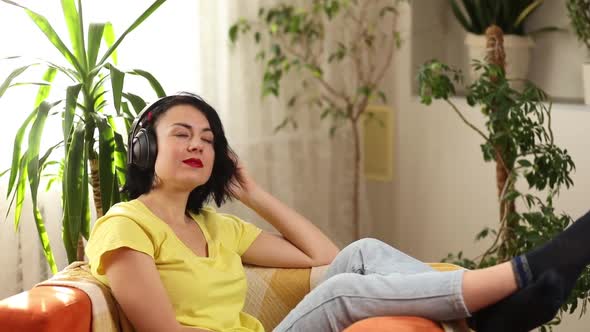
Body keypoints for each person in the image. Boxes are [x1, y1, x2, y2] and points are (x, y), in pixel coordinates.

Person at [86, 92, 588, 332]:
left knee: (361, 253)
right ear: (145, 148)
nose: (198, 144)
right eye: (181, 134)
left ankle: (490, 313)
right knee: (347, 289)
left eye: (209, 139)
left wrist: (254, 192)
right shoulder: (126, 225)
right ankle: (515, 277)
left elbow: (323, 256)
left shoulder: (215, 226)